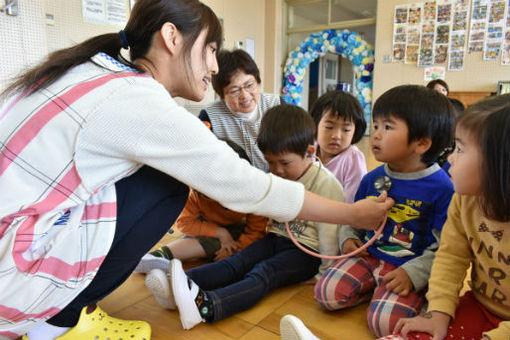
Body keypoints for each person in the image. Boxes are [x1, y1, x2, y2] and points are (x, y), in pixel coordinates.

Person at [0, 0, 394, 339]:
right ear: (172, 38)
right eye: (210, 49)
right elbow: (244, 185)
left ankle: (81, 309)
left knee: (248, 260)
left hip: (20, 241)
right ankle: (60, 322)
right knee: (173, 186)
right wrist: (353, 214)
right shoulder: (138, 98)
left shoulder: (95, 71)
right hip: (15, 269)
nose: (213, 65)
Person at [144, 104, 346, 330]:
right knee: (238, 261)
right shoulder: (277, 174)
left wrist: (323, 273)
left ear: (310, 152)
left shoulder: (326, 183)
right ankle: (178, 285)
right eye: (270, 162)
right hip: (276, 239)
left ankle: (211, 306)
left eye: (284, 163)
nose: (276, 170)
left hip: (306, 253)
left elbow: (330, 234)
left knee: (264, 273)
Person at [314, 85, 455, 337]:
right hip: (369, 255)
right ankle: (373, 288)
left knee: (385, 324)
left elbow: (445, 250)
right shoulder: (373, 177)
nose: (375, 135)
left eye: (387, 127)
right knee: (325, 294)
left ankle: (402, 297)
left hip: (407, 268)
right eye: (375, 125)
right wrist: (348, 237)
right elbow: (353, 214)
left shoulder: (442, 188)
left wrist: (414, 274)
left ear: (422, 143)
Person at [387, 94, 510, 340]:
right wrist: (439, 312)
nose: (450, 157)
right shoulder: (465, 199)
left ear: (500, 165)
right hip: (479, 307)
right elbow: (451, 256)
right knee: (418, 334)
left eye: (461, 149)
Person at [135, 140, 267, 275]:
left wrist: (233, 251)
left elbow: (255, 231)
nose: (222, 201)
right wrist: (221, 233)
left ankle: (162, 257)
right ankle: (156, 257)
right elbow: (184, 223)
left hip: (237, 228)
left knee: (219, 244)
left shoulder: (253, 193)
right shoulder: (195, 190)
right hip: (204, 224)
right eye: (211, 197)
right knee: (206, 242)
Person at [199, 49, 283, 172]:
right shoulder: (209, 116)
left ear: (258, 82)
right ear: (221, 95)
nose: (244, 95)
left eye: (249, 85)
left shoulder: (276, 105)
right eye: (234, 90)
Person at [310, 90, 367, 203]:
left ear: (355, 132)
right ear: (315, 125)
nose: (336, 136)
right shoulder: (308, 151)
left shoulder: (353, 158)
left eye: (346, 130)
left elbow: (352, 202)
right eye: (329, 127)